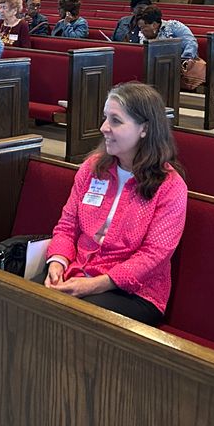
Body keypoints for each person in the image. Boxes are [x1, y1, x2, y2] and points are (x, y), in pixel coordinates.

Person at [44, 82, 188, 326]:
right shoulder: (92, 168)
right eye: (105, 118)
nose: (103, 128)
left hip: (135, 292)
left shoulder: (170, 187)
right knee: (24, 297)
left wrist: (94, 285)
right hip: (79, 270)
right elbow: (67, 225)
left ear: (144, 129)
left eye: (116, 121)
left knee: (70, 317)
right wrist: (58, 261)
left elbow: (153, 257)